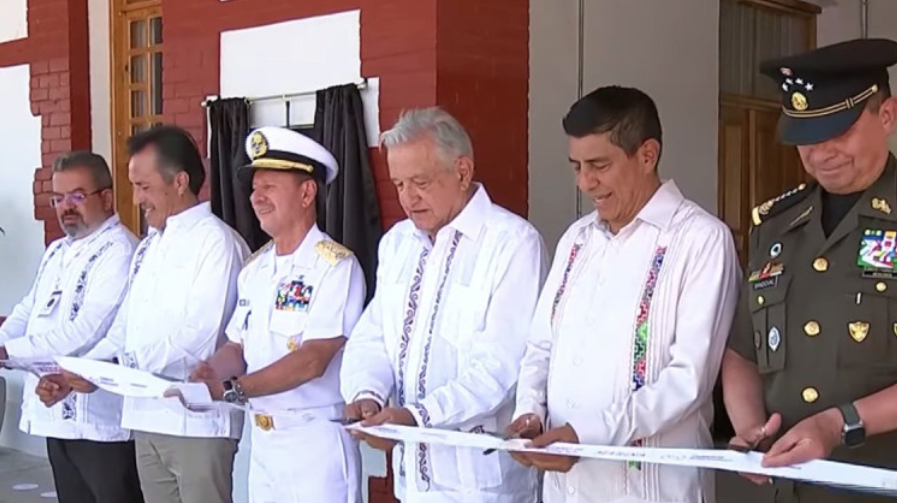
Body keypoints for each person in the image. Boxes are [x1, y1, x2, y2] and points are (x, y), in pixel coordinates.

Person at [509, 86, 741, 503]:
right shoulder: (577, 240)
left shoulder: (701, 240)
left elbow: (688, 379)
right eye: (576, 167)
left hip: (653, 490)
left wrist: (586, 435)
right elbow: (541, 347)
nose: (585, 182)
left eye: (599, 165)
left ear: (647, 155)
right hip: (568, 489)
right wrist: (529, 413)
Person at [340, 107, 547, 503]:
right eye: (399, 183)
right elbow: (374, 336)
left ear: (463, 172)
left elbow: (502, 366)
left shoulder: (512, 243)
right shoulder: (398, 243)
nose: (407, 197)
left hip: (482, 486)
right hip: (412, 481)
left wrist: (417, 417)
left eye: (420, 182)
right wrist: (367, 395)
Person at [722, 38, 897, 502]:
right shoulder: (776, 227)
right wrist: (750, 429)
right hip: (793, 491)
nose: (821, 154)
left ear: (887, 116)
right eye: (806, 138)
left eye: (838, 132)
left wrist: (839, 424)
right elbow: (741, 352)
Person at [42, 125, 250, 503]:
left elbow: (197, 338)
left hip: (196, 423)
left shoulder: (215, 242)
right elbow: (123, 328)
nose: (136, 198)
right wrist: (81, 371)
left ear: (181, 181)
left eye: (145, 186)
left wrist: (120, 367)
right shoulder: (150, 246)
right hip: (144, 418)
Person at [186, 126, 365, 503]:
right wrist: (212, 370)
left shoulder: (335, 267)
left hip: (313, 447)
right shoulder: (255, 270)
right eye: (254, 188)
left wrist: (233, 389)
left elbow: (313, 360)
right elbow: (239, 344)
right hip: (262, 445)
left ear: (307, 192)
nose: (256, 197)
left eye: (269, 186)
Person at [0, 151, 143, 503]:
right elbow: (27, 310)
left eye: (78, 196)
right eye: (58, 198)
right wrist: (3, 341)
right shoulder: (57, 251)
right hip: (53, 407)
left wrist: (8, 352)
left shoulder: (120, 250)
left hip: (100, 420)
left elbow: (89, 329)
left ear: (106, 197)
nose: (66, 207)